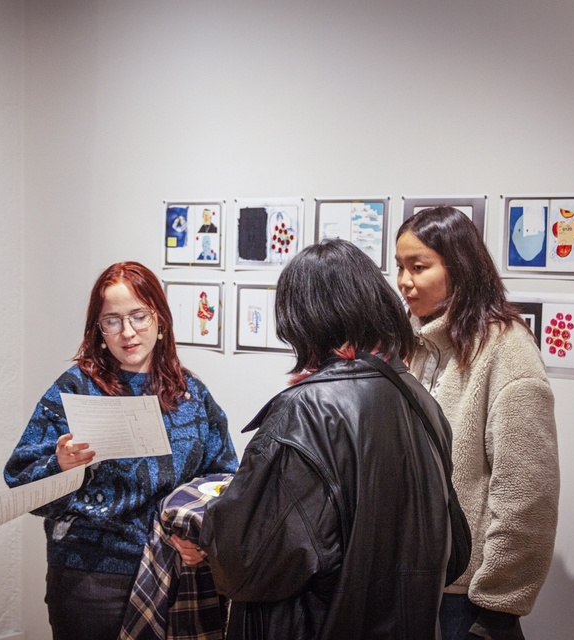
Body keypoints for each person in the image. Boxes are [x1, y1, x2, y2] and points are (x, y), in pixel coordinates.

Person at [192, 238, 454, 639]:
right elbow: (452, 549)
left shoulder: (306, 411)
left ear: (304, 320)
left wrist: (209, 519)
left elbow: (243, 561)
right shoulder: (418, 399)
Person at [3, 261, 238, 640]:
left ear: (160, 320)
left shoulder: (191, 393)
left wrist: (202, 538)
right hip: (93, 578)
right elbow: (21, 484)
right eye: (111, 321)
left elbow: (224, 480)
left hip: (175, 568)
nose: (127, 332)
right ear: (98, 330)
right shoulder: (76, 388)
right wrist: (60, 465)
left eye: (138, 316)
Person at [395, 207, 560, 640]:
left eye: (419, 267)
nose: (405, 281)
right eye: (400, 267)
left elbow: (527, 487)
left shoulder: (506, 348)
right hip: (410, 584)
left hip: (467, 600)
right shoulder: (412, 345)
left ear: (460, 267)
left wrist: (498, 603)